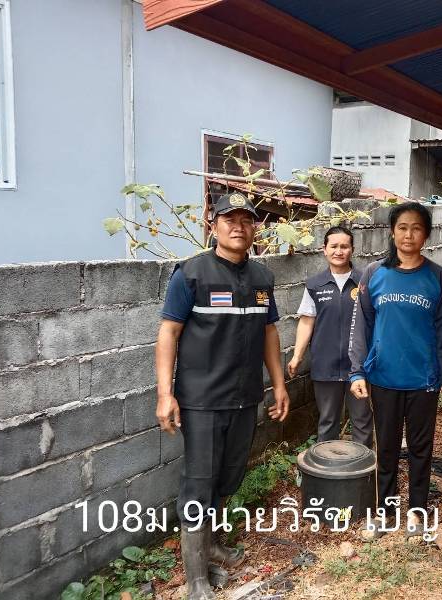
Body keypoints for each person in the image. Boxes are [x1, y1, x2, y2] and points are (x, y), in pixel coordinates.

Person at [155, 192, 289, 600]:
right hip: (202, 401)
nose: (238, 227)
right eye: (229, 219)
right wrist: (165, 394)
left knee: (229, 476)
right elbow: (168, 333)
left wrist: (279, 384)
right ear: (212, 225)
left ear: (254, 229)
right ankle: (196, 579)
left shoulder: (262, 278)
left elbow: (269, 333)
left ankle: (210, 545)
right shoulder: (191, 275)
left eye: (246, 220)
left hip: (245, 398)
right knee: (199, 484)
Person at [349, 202, 442, 537]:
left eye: (416, 228)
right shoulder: (374, 274)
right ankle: (385, 512)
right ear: (392, 232)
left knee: (419, 449)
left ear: (426, 234)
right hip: (383, 377)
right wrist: (357, 371)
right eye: (402, 227)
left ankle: (416, 512)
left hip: (423, 380)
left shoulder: (438, 278)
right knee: (385, 447)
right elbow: (362, 326)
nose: (408, 234)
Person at [287, 226, 373, 447]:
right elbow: (307, 321)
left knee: (362, 421)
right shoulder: (315, 285)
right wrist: (297, 356)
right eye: (333, 246)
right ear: (324, 249)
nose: (339, 251)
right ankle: (327, 466)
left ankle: (363, 467)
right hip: (325, 365)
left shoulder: (365, 282)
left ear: (352, 249)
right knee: (327, 422)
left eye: (344, 246)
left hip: (359, 367)